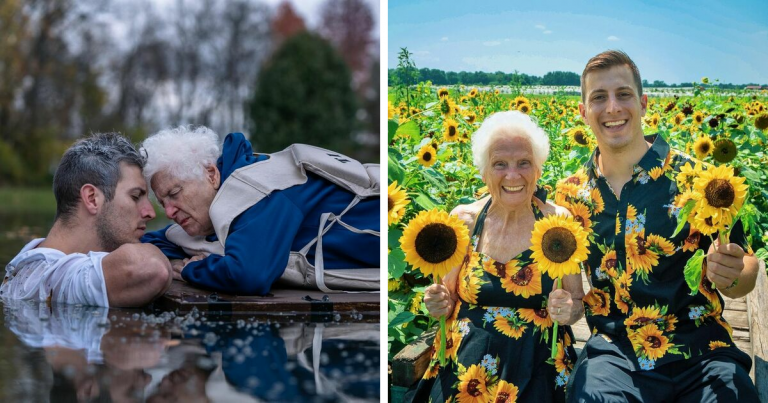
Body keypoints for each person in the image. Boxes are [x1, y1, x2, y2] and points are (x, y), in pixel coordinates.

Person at [564, 50, 760, 402]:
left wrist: (730, 273)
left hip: (701, 349)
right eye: (598, 97)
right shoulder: (570, 196)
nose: (612, 108)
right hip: (614, 353)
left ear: (642, 102)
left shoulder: (700, 182)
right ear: (582, 111)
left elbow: (745, 269)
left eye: (623, 94)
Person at [410, 111, 585, 403]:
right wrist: (436, 302)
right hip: (466, 369)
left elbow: (577, 301)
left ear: (538, 169)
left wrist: (568, 310)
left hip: (539, 368)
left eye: (524, 163)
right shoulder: (464, 221)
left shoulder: (558, 223)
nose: (512, 175)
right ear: (483, 171)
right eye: (500, 164)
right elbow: (447, 299)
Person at [140, 126, 379, 295]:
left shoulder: (260, 191)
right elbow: (154, 241)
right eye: (163, 203)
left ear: (211, 174)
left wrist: (192, 268)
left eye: (174, 194)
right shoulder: (215, 210)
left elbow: (248, 275)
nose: (169, 211)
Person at [1, 133, 172, 308]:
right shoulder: (49, 278)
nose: (150, 212)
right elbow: (152, 268)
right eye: (135, 197)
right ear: (92, 198)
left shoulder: (29, 262)